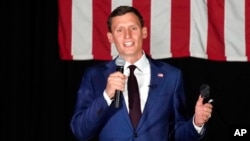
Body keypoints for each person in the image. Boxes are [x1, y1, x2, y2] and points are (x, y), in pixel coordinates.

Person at [70, 5, 213, 141]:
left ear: (144, 32)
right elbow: (80, 131)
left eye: (133, 28)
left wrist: (196, 122)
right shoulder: (94, 76)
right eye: (119, 30)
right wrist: (106, 96)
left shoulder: (171, 76)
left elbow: (175, 133)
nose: (127, 35)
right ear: (110, 37)